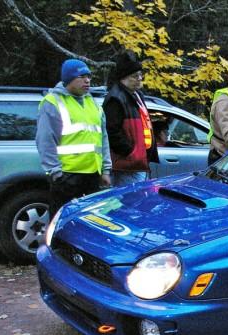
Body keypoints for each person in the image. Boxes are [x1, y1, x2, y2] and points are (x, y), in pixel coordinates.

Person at [36, 59, 111, 217]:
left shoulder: (93, 103)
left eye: (89, 76)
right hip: (67, 176)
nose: (87, 80)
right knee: (62, 221)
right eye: (82, 76)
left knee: (91, 221)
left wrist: (105, 170)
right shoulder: (52, 102)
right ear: (69, 79)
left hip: (93, 175)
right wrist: (56, 174)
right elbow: (45, 141)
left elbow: (103, 138)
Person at [103, 50, 158, 186]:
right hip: (127, 165)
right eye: (135, 76)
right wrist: (130, 152)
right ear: (123, 78)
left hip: (139, 162)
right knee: (129, 201)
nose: (139, 78)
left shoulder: (136, 95)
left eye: (140, 74)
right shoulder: (115, 98)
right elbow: (112, 131)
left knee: (139, 200)